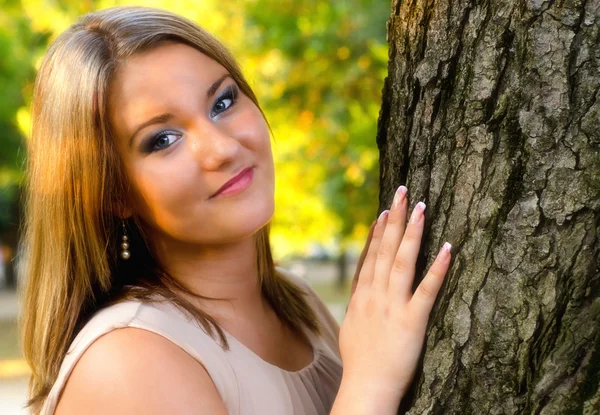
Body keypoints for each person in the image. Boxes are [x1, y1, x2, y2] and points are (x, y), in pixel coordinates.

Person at [19, 6, 452, 415]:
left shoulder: (296, 304)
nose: (223, 148)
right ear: (113, 194)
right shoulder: (126, 362)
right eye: (163, 139)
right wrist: (370, 382)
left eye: (222, 102)